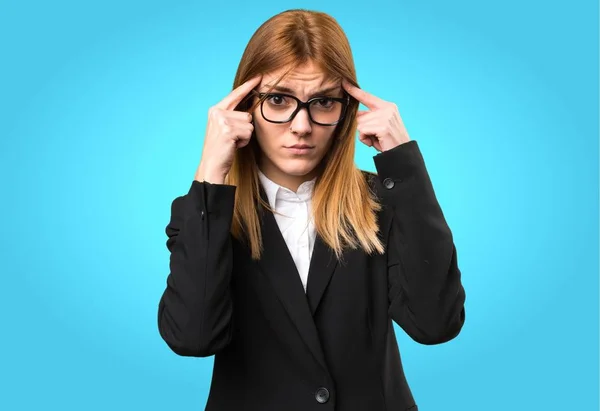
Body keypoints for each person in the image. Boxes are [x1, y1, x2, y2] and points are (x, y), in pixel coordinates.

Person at [157, 8, 466, 411]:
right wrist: (211, 171)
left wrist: (404, 162)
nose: (301, 125)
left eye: (322, 102)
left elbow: (435, 324)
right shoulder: (207, 211)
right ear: (246, 106)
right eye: (279, 99)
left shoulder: (383, 202)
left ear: (346, 110)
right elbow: (192, 338)